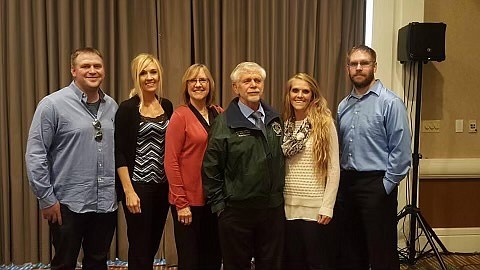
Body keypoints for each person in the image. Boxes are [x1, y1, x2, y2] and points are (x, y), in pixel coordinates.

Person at [25, 47, 117, 270]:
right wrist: (46, 198)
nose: (92, 70)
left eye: (97, 66)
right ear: (73, 71)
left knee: (98, 262)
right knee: (64, 264)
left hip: (105, 204)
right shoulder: (52, 105)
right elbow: (35, 154)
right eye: (85, 66)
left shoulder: (112, 106)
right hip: (67, 204)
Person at [202, 62, 285, 270]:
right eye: (247, 81)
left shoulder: (275, 120)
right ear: (235, 87)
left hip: (271, 211)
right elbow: (211, 167)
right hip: (236, 213)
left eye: (257, 80)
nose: (253, 85)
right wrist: (220, 206)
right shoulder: (223, 123)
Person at [336, 45, 411, 270]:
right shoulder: (343, 105)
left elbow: (401, 152)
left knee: (381, 251)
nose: (359, 68)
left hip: (376, 185)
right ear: (348, 68)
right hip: (347, 184)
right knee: (351, 248)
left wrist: (385, 186)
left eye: (364, 63)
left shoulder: (391, 103)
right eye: (354, 64)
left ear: (374, 67)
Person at [114, 53, 173, 270]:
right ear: (136, 77)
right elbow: (119, 153)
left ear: (159, 75)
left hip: (162, 186)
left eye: (153, 72)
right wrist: (128, 191)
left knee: (152, 245)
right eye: (143, 73)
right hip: (138, 186)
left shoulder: (167, 106)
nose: (149, 77)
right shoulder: (128, 108)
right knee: (139, 247)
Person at [165, 64, 222, 270]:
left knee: (213, 258)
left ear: (210, 85)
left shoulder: (219, 113)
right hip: (188, 202)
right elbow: (170, 162)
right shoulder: (180, 116)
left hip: (214, 201)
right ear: (186, 86)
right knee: (190, 261)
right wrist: (181, 203)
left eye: (203, 80)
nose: (198, 84)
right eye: (193, 81)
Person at [281, 73, 340, 269]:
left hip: (315, 207)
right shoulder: (284, 125)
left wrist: (327, 206)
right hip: (287, 206)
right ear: (288, 94)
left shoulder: (324, 124)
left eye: (305, 91)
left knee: (315, 262)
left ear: (313, 95)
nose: (300, 95)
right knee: (292, 262)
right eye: (295, 90)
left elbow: (333, 168)